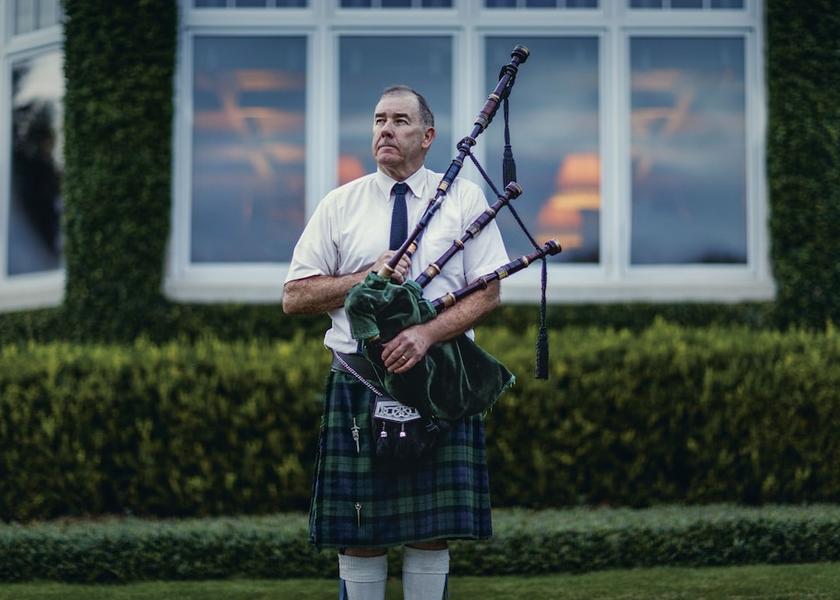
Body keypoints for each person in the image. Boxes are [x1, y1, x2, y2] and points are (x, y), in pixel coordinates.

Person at [283, 85, 509, 600]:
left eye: (401, 121)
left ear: (427, 136)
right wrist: (364, 277)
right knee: (358, 533)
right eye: (379, 119)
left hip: (439, 378)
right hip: (360, 380)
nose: (386, 129)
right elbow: (295, 297)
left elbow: (488, 292)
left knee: (431, 533)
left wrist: (427, 333)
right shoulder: (341, 204)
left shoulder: (463, 199)